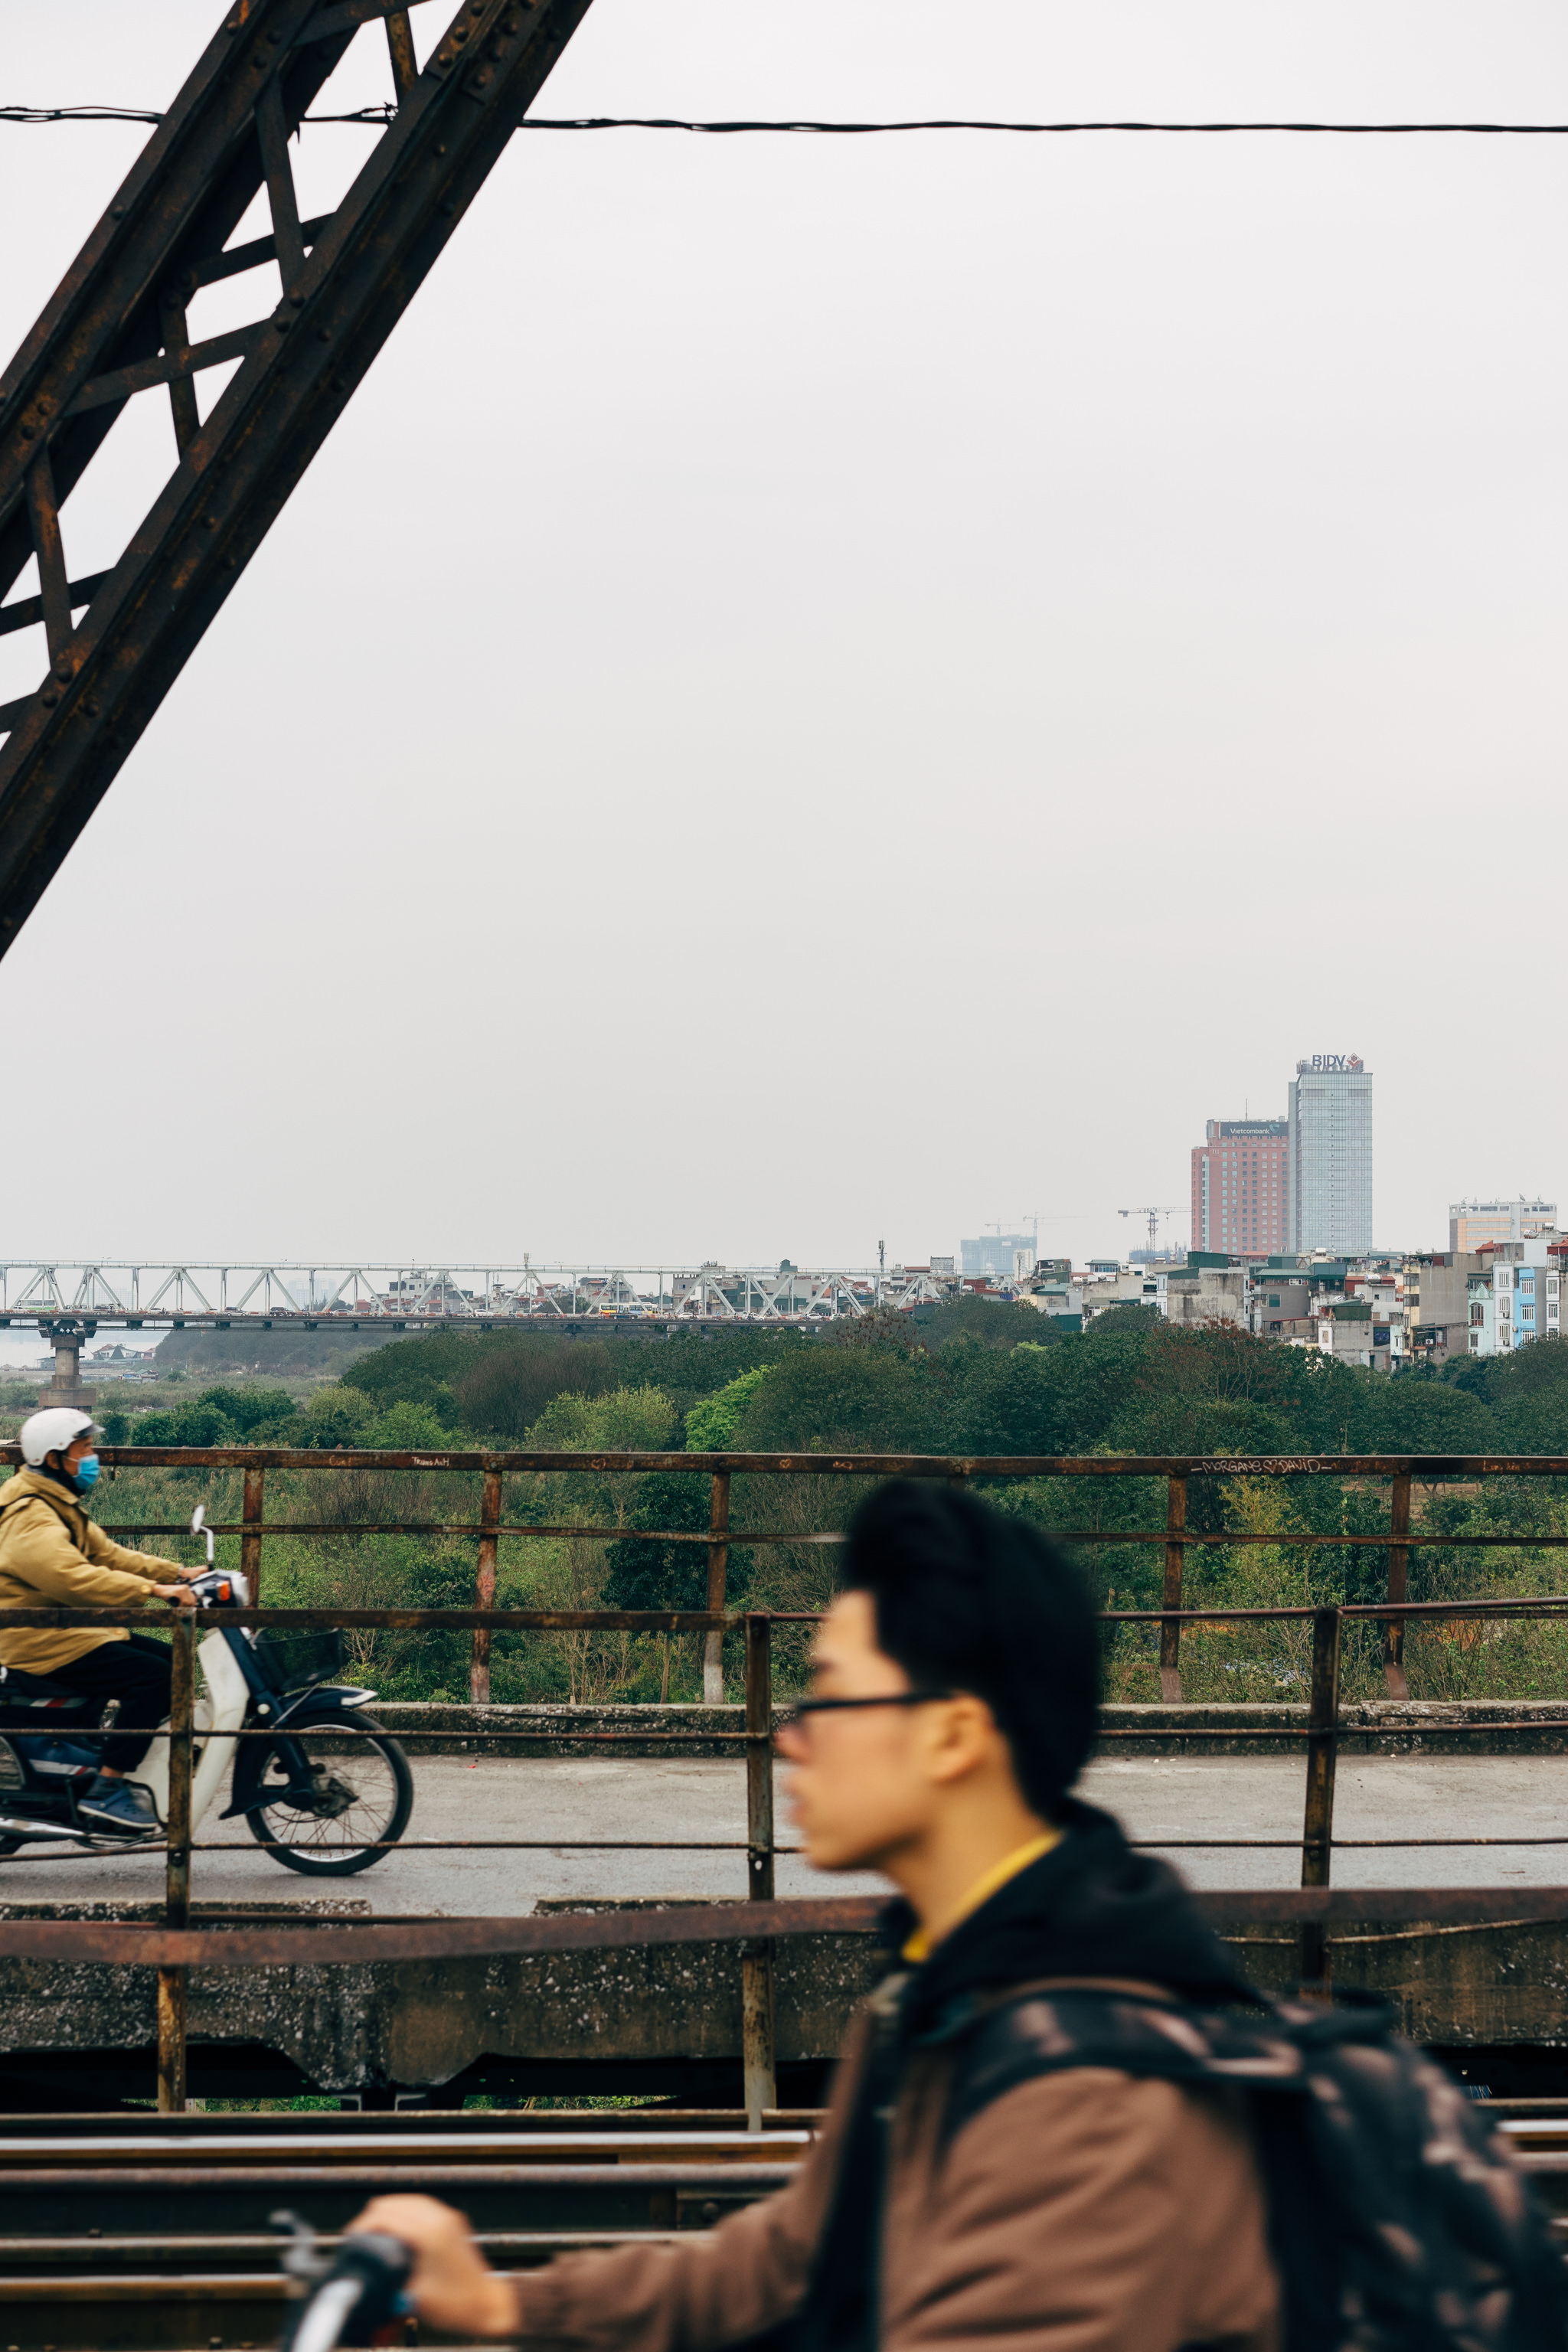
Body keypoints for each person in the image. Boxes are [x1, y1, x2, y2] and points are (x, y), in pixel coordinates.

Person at [349, 1478, 1279, 2352]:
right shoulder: (952, 1986)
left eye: (831, 1696)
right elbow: (793, 2261)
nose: (791, 1734)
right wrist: (508, 2304)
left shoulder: (1084, 2096)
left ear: (952, 1735)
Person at [0, 1406, 197, 1834]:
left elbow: (107, 1555)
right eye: (84, 1449)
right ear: (53, 1459)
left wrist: (176, 1573)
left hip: (66, 1629)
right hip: (40, 1638)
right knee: (157, 1676)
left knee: (172, 1658)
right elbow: (68, 1577)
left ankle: (116, 1755)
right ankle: (107, 1789)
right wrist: (151, 1591)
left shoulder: (54, 1500)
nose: (92, 1459)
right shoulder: (31, 1513)